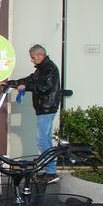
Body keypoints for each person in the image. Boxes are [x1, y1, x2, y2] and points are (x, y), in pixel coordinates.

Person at [6, 44, 62, 180]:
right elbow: (29, 80)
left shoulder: (49, 69)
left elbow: (45, 87)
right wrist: (11, 83)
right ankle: (49, 169)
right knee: (45, 139)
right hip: (43, 108)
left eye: (32, 57)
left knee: (42, 140)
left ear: (40, 55)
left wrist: (26, 86)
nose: (31, 60)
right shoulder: (41, 69)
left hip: (47, 108)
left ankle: (51, 172)